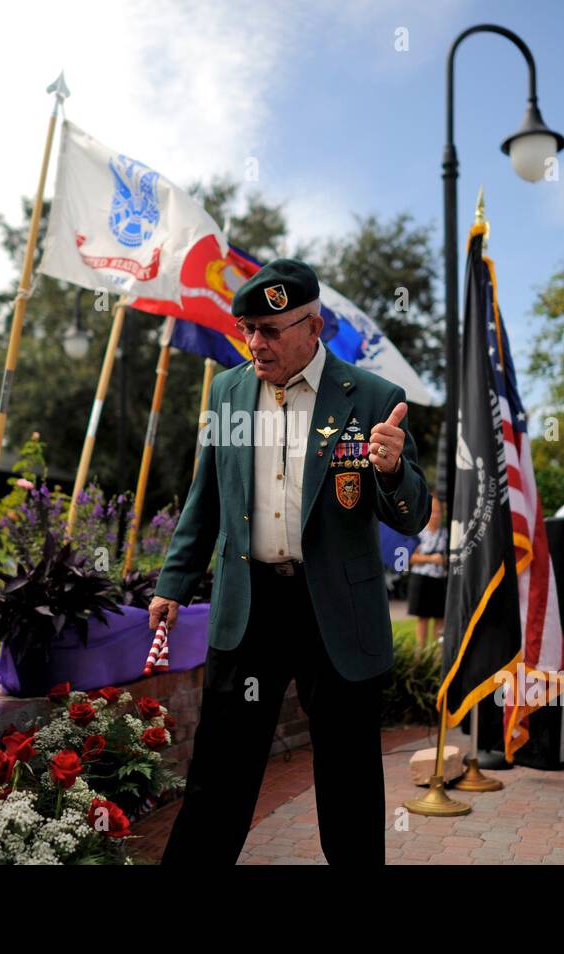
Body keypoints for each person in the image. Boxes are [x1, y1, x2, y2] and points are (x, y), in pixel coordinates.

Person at [148, 258, 431, 865]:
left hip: (334, 608)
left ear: (314, 326)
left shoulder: (374, 398)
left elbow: (412, 515)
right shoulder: (227, 391)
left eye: (271, 330)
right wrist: (173, 581)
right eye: (248, 328)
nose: (255, 343)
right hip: (249, 605)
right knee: (220, 771)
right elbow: (207, 497)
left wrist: (390, 470)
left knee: (348, 776)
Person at [407, 497, 447, 651]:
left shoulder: (446, 533)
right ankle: (421, 655)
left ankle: (437, 658)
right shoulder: (417, 533)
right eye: (433, 511)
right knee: (422, 619)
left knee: (440, 619)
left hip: (440, 580)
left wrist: (444, 560)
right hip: (422, 580)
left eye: (438, 512)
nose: (436, 515)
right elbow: (408, 558)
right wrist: (431, 558)